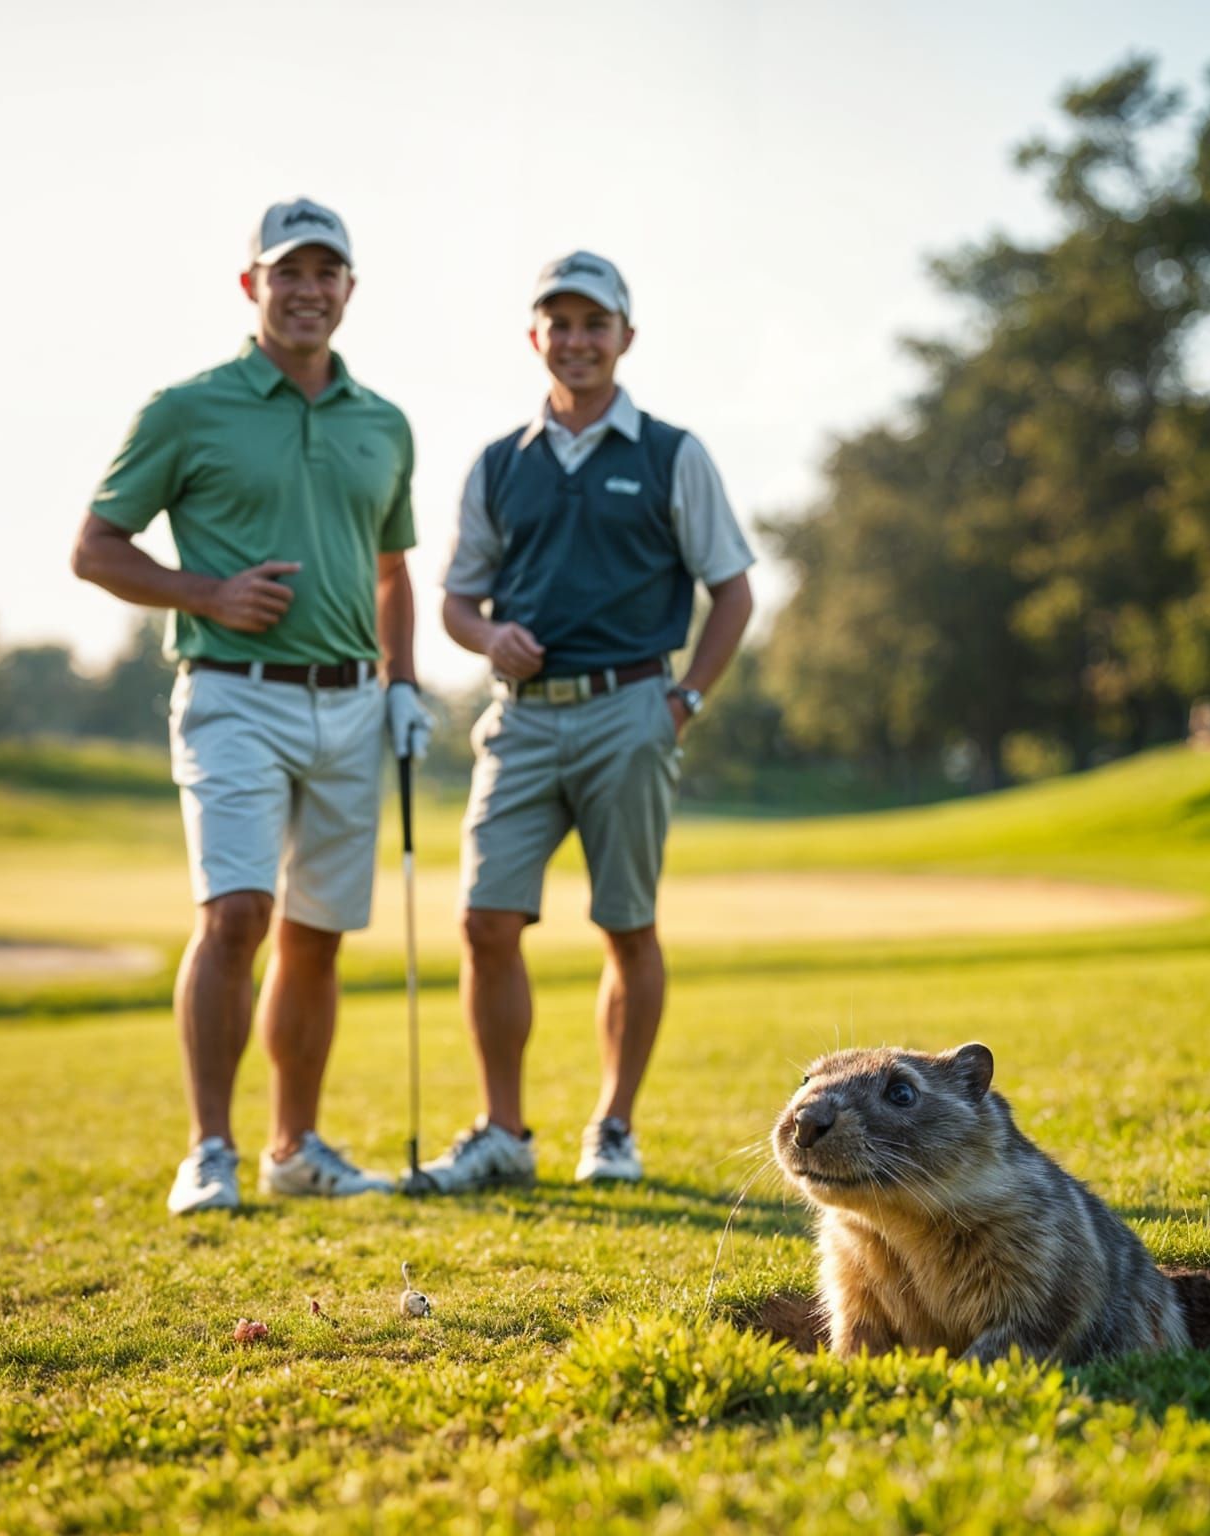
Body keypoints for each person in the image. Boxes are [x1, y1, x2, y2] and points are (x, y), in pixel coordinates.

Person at [72, 197, 432, 1214]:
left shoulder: (384, 423)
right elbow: (94, 549)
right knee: (236, 916)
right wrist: (207, 594)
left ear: (349, 291)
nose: (308, 290)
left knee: (315, 933)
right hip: (232, 694)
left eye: (327, 272)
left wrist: (402, 685)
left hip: (352, 707)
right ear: (252, 287)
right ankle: (210, 1151)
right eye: (288, 272)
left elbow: (392, 570)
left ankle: (294, 1145)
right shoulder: (186, 408)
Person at [411, 250, 754, 1193]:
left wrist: (684, 700)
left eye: (593, 324)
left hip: (632, 709)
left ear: (625, 338)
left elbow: (732, 593)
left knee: (627, 926)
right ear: (536, 338)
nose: (576, 341)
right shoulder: (498, 464)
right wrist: (487, 637)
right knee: (485, 920)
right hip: (520, 719)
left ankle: (612, 1127)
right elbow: (456, 603)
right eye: (558, 324)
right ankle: (503, 1134)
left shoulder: (671, 453)